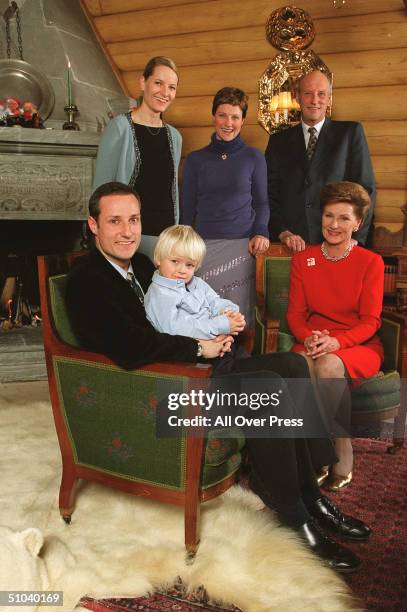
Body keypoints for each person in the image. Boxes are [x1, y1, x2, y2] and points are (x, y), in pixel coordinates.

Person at [66, 181, 372, 574]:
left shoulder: (143, 265)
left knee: (293, 367)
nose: (127, 231)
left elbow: (190, 304)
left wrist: (220, 330)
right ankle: (297, 519)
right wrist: (199, 348)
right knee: (268, 389)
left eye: (134, 220)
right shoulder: (87, 281)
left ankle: (311, 493)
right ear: (93, 225)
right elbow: (129, 348)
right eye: (114, 221)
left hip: (194, 369)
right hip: (165, 389)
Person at [287, 182, 384, 490]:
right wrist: (312, 337)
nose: (334, 224)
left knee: (328, 365)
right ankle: (316, 447)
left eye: (344, 218)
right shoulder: (304, 260)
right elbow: (295, 315)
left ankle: (341, 445)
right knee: (300, 363)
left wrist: (338, 342)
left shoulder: (371, 262)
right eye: (329, 216)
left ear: (358, 223)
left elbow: (371, 321)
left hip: (357, 343)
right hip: (312, 338)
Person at [181, 87, 270, 327]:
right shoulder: (195, 160)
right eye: (222, 115)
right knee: (204, 313)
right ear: (213, 117)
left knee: (239, 316)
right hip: (202, 248)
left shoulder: (254, 157)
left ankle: (240, 362)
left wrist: (261, 231)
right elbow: (187, 207)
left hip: (242, 248)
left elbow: (262, 202)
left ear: (243, 120)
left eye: (235, 117)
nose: (228, 123)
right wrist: (183, 246)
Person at [265, 70, 375, 252]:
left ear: (329, 98)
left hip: (340, 244)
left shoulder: (350, 133)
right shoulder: (278, 141)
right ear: (298, 98)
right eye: (308, 93)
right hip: (291, 246)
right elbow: (269, 194)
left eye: (321, 94)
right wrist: (282, 232)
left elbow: (365, 191)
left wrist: (355, 237)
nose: (314, 100)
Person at [93, 56, 181, 261]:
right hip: (127, 240)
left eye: (172, 87)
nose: (165, 93)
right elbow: (100, 191)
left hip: (166, 242)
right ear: (143, 82)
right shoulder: (119, 128)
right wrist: (100, 237)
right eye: (158, 83)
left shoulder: (175, 137)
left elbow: (171, 191)